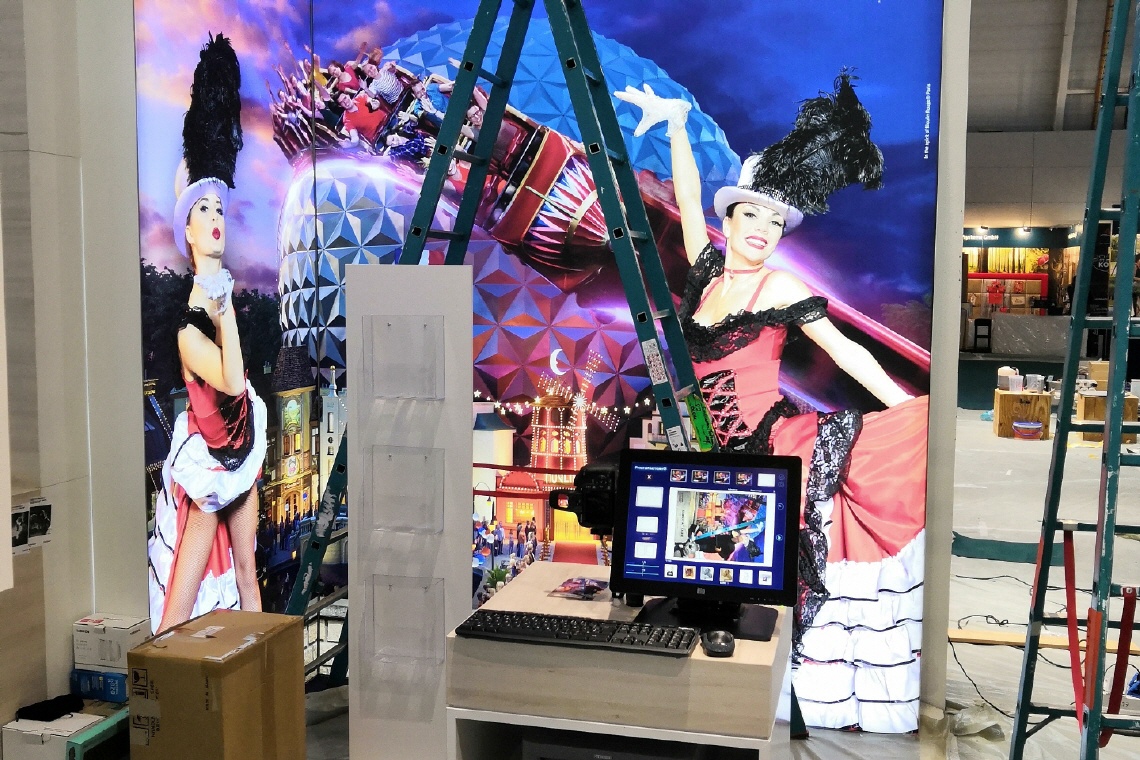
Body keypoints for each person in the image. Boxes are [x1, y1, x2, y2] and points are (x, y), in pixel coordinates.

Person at [616, 74, 928, 733]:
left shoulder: (781, 285)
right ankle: (718, 701)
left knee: (787, 574)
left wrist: (905, 406)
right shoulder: (706, 273)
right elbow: (688, 196)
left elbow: (846, 352)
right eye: (751, 215)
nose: (762, 229)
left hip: (773, 446)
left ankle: (799, 703)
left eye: (775, 221)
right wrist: (676, 122)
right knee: (716, 582)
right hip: (715, 454)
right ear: (730, 222)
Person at [148, 35, 269, 635]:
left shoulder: (221, 300)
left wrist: (226, 306)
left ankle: (265, 677)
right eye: (203, 212)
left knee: (250, 580)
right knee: (179, 609)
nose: (216, 220)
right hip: (209, 464)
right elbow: (231, 380)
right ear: (187, 232)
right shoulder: (189, 328)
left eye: (219, 210)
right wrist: (223, 314)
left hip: (242, 451)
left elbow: (242, 393)